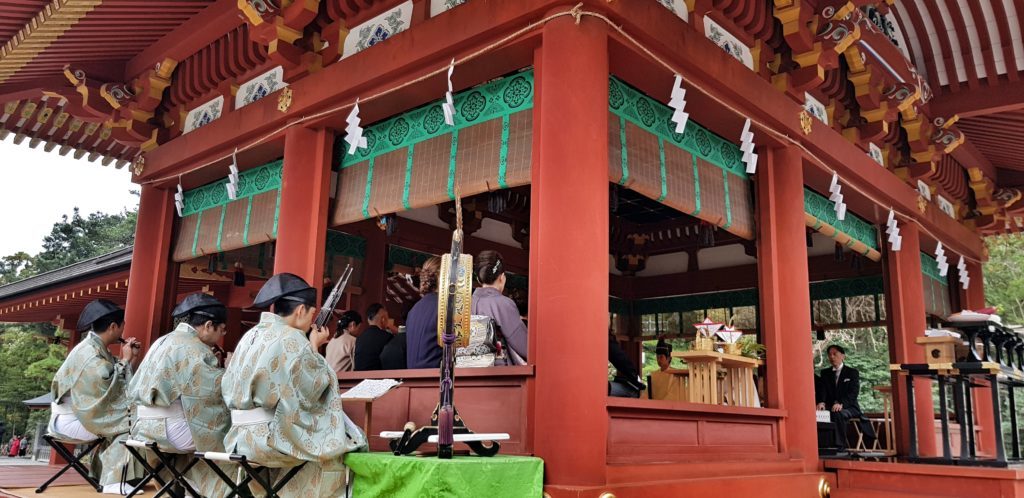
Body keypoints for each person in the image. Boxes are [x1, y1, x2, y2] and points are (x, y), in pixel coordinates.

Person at [222, 273, 366, 497]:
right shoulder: (294, 339)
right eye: (311, 313)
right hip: (271, 439)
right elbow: (315, 388)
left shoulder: (249, 336)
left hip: (239, 438)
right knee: (348, 442)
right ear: (300, 310)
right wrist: (314, 346)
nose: (311, 320)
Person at [128, 293, 232, 497]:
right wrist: (230, 371)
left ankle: (191, 488)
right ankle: (217, 491)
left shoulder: (162, 341)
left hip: (144, 427)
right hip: (173, 432)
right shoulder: (196, 349)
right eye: (221, 330)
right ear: (209, 325)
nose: (221, 336)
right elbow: (212, 394)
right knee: (235, 436)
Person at [48, 299, 143, 494]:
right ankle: (113, 481)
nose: (124, 330)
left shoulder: (95, 348)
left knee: (130, 419)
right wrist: (125, 359)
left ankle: (107, 475)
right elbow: (108, 383)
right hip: (72, 419)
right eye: (122, 325)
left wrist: (129, 359)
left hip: (82, 414)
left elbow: (114, 379)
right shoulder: (90, 353)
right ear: (113, 326)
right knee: (133, 423)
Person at [470, 250, 527, 365]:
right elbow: (524, 346)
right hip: (498, 374)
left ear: (479, 279)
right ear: (502, 277)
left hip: (466, 373)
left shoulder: (467, 303)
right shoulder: (503, 304)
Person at [816, 344, 866, 451]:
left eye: (835, 354)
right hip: (830, 406)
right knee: (820, 413)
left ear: (843, 356)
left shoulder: (852, 372)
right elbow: (822, 390)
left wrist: (841, 403)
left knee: (838, 413)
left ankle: (839, 446)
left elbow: (853, 393)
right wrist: (821, 402)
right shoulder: (825, 373)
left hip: (849, 407)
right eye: (829, 355)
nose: (832, 357)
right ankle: (822, 445)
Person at [406, 257, 442, 369]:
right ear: (442, 277)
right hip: (434, 379)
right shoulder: (444, 307)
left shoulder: (414, 309)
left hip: (413, 379)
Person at [354, 304, 393, 371]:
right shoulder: (387, 337)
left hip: (359, 378)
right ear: (383, 320)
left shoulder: (360, 337)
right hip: (377, 378)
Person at [608, 333, 645, 397]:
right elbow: (619, 357)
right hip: (596, 386)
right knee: (632, 391)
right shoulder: (603, 334)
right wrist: (634, 377)